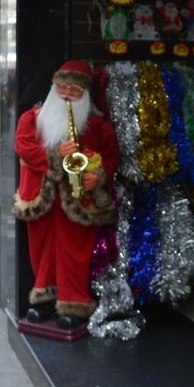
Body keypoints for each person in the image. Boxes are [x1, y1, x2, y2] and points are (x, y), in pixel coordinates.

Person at [13, 60, 119, 330]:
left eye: (75, 89)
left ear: (85, 93)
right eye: (63, 87)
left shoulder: (96, 126)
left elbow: (110, 158)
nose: (68, 93)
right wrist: (53, 154)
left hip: (79, 199)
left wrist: (99, 176)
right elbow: (23, 147)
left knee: (75, 252)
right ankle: (45, 299)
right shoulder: (32, 118)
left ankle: (74, 304)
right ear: (53, 87)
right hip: (42, 197)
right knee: (42, 250)